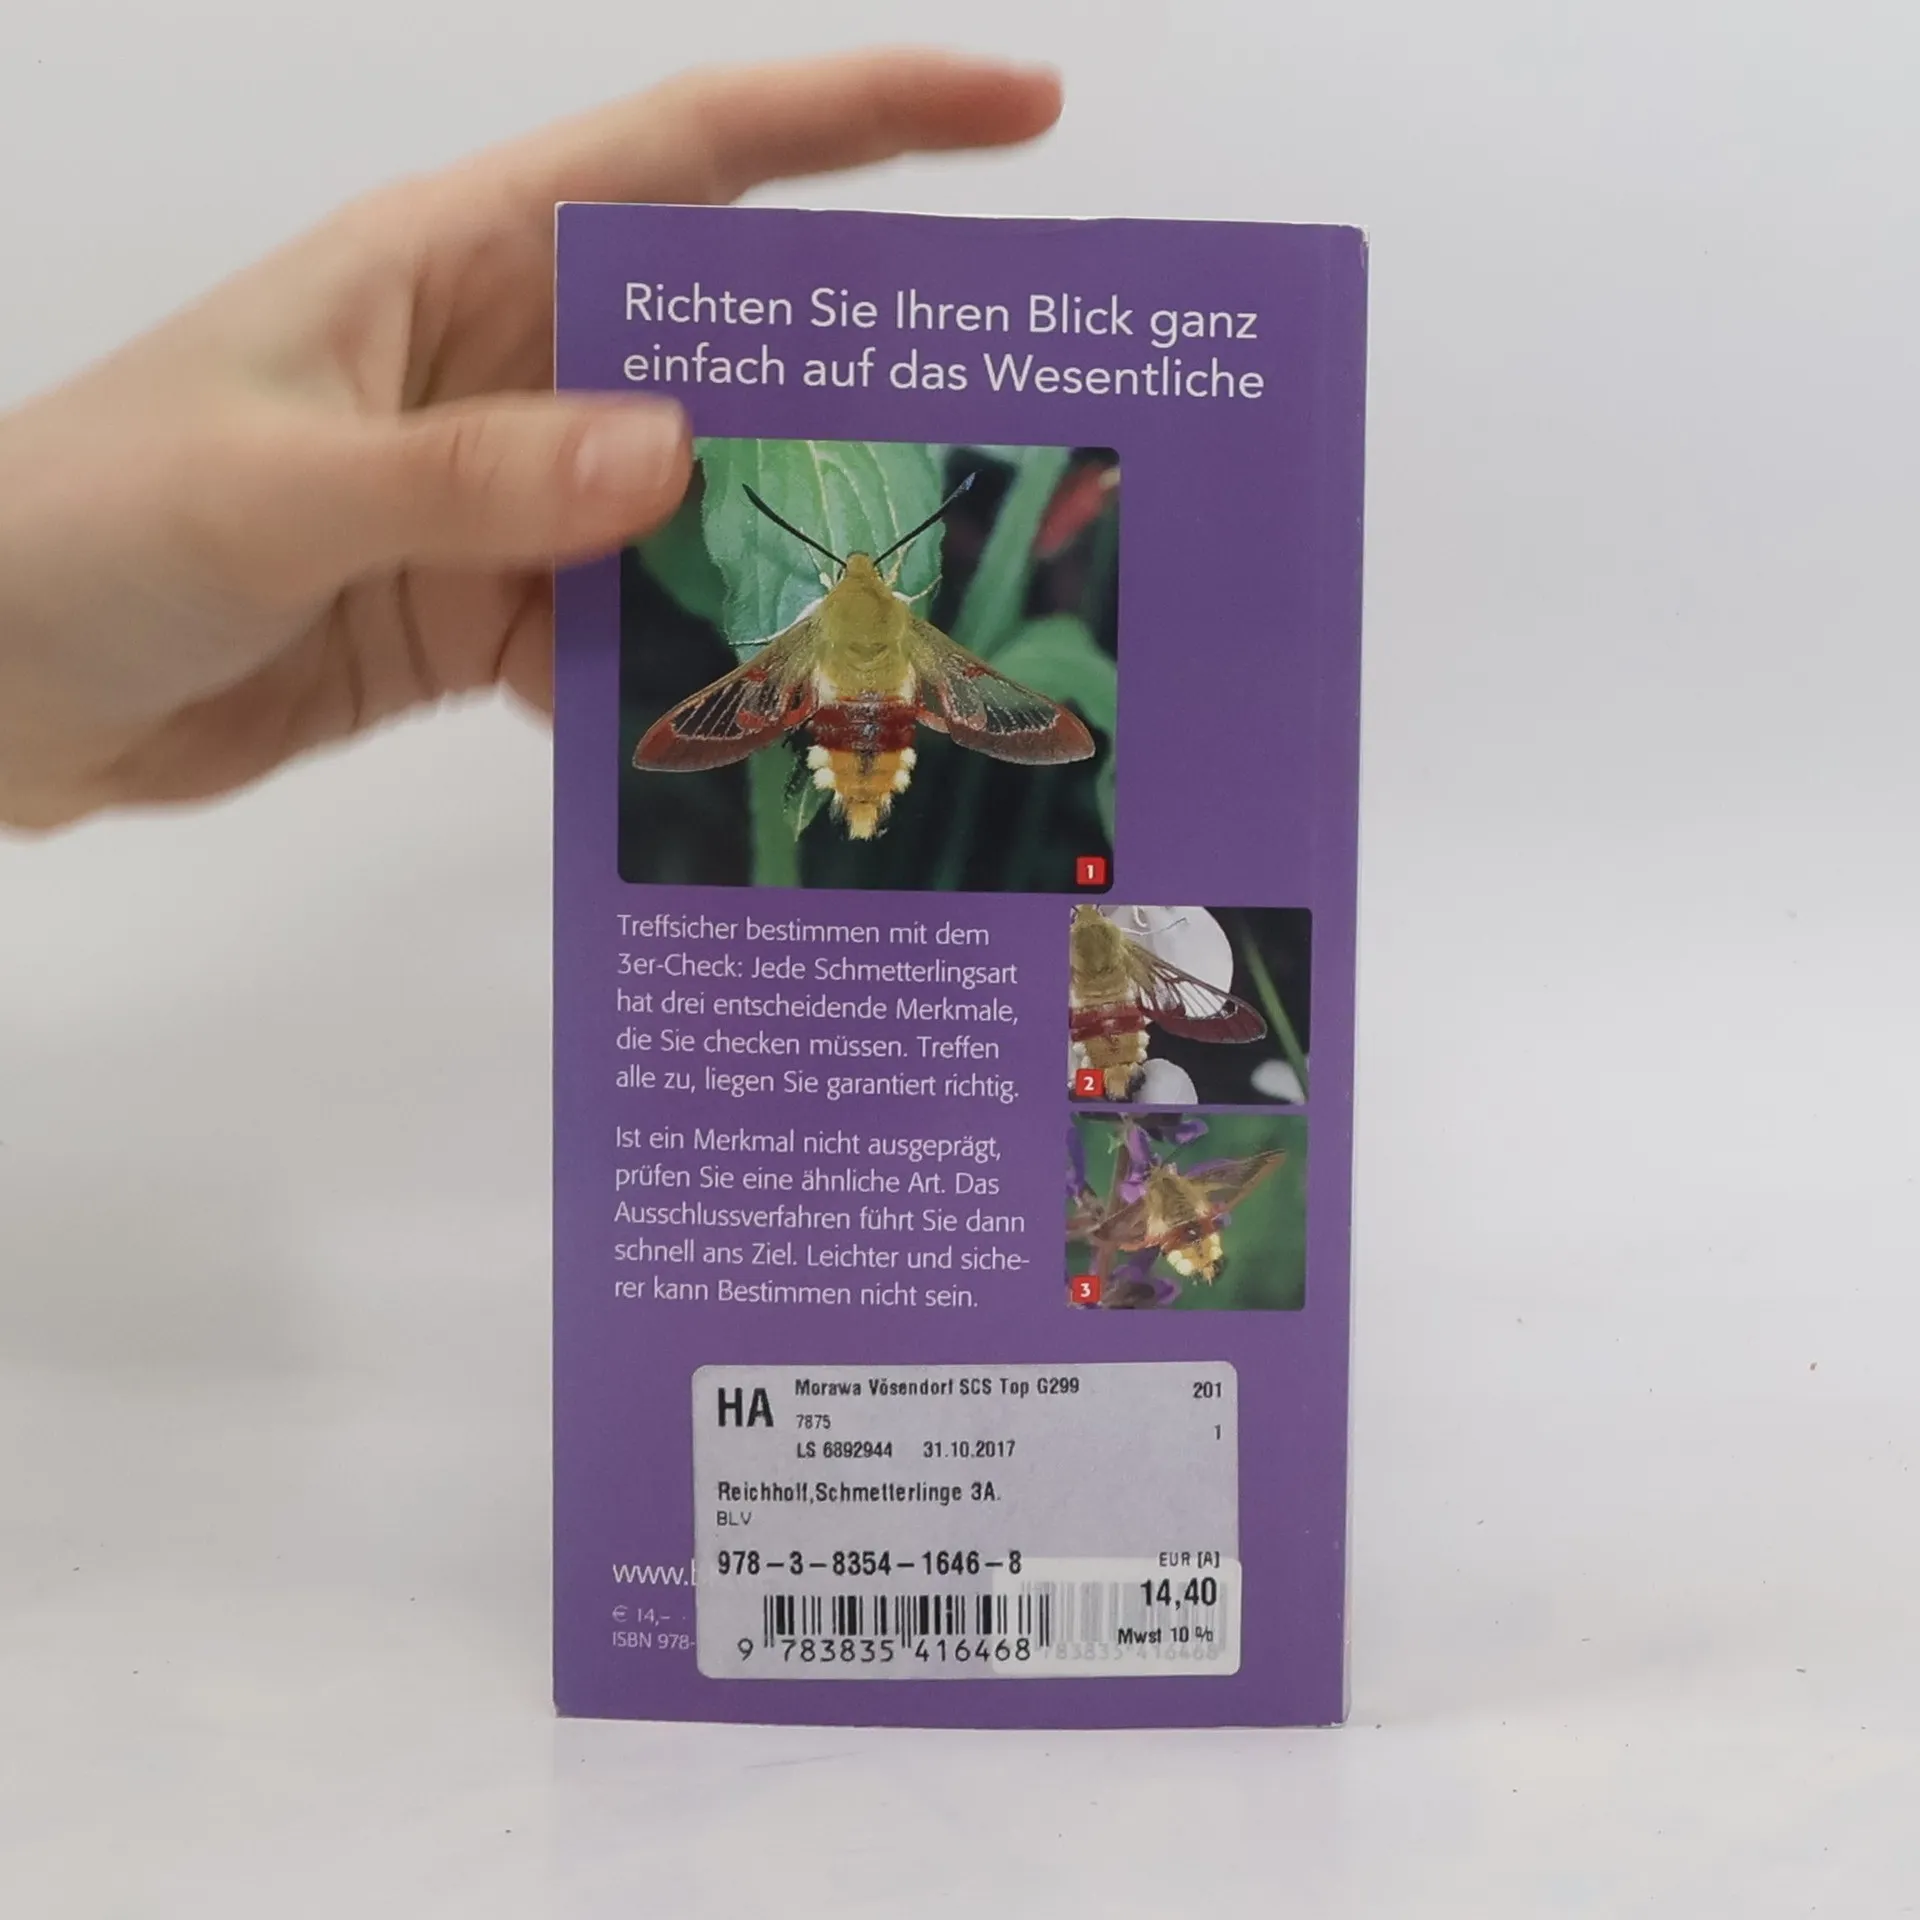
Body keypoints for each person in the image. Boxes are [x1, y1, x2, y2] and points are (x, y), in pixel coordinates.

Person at [0, 49, 1061, 833]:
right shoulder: (907, 620)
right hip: (881, 717)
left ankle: (842, 789)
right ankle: (863, 786)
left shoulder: (813, 616)